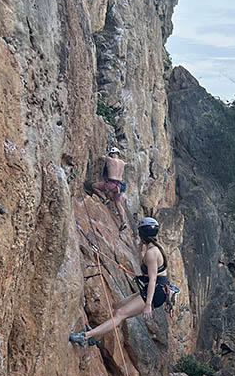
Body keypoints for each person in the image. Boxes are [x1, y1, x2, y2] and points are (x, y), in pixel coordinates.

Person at [70, 217, 169, 346]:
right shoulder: (154, 248)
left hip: (155, 292)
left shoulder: (152, 252)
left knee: (120, 314)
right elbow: (144, 269)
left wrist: (148, 304)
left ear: (142, 234)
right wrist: (140, 251)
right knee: (118, 306)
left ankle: (85, 336)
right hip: (153, 289)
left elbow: (152, 279)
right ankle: (97, 335)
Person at [89, 147, 128, 227]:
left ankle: (105, 199)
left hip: (110, 184)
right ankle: (123, 221)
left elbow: (101, 158)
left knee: (94, 186)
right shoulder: (123, 163)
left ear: (112, 154)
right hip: (119, 187)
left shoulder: (109, 160)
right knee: (118, 203)